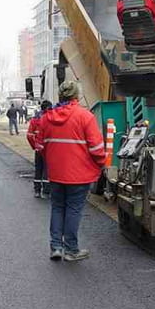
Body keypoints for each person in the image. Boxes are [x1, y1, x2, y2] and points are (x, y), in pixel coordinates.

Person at [37, 82, 106, 262]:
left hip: (56, 174)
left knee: (57, 208)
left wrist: (52, 161)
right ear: (77, 96)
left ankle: (56, 248)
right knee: (73, 210)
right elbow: (97, 148)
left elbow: (40, 146)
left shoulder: (46, 118)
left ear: (60, 96)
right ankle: (71, 250)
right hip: (79, 175)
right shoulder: (85, 117)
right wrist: (101, 164)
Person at [26, 100, 53, 199]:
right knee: (47, 169)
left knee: (38, 169)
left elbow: (29, 136)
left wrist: (35, 146)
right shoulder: (51, 119)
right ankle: (46, 191)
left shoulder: (35, 120)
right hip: (48, 150)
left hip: (38, 149)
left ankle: (37, 190)